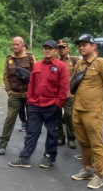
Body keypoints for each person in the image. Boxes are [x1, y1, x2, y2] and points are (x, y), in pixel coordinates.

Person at [8, 40, 68, 168]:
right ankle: (24, 158)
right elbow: (31, 84)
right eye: (45, 48)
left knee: (52, 133)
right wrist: (30, 100)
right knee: (32, 131)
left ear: (55, 50)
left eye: (50, 48)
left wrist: (58, 104)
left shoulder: (60, 66)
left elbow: (64, 88)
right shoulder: (37, 65)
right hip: (35, 105)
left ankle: (49, 157)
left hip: (52, 105)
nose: (47, 50)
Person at [70, 34, 103, 190]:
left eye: (84, 44)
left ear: (93, 46)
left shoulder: (101, 64)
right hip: (78, 109)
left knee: (97, 144)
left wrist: (100, 102)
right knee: (84, 142)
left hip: (93, 111)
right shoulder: (79, 64)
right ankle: (87, 168)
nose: (81, 47)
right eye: (80, 45)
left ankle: (99, 175)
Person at [0, 36, 36, 155]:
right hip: (14, 94)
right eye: (13, 44)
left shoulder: (30, 57)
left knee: (31, 121)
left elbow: (36, 75)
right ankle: (2, 144)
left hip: (28, 94)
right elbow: (6, 76)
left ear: (22, 45)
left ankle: (27, 146)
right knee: (9, 119)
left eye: (17, 44)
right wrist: (9, 91)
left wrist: (33, 92)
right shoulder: (8, 59)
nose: (14, 46)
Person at [56, 38, 78, 149]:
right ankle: (60, 136)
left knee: (69, 116)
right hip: (56, 94)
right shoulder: (55, 61)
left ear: (68, 48)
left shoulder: (74, 60)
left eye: (63, 47)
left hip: (69, 94)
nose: (61, 49)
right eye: (59, 47)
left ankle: (71, 138)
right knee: (57, 116)